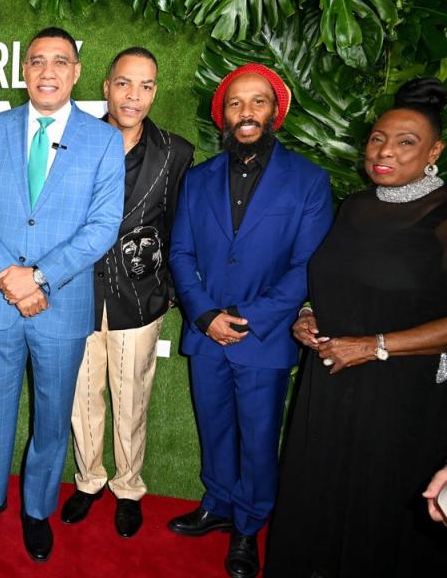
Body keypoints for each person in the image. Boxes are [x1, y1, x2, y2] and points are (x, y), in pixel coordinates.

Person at [265, 77, 447, 577]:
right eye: (377, 139)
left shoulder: (442, 214)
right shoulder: (355, 206)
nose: (385, 152)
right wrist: (307, 317)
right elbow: (336, 286)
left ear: (435, 150)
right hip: (332, 381)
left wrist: (374, 346)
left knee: (380, 509)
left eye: (406, 142)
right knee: (320, 493)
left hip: (402, 395)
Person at [0, 27, 125, 562]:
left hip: (62, 303)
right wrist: (10, 275)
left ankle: (36, 510)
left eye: (59, 62)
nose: (47, 71)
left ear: (76, 73)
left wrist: (40, 278)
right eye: (36, 61)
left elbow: (103, 226)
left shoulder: (103, 140)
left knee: (53, 415)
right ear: (23, 71)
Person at [168, 62, 333, 578]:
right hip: (207, 333)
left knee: (259, 437)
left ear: (275, 111)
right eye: (235, 104)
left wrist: (244, 316)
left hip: (263, 337)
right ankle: (217, 504)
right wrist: (204, 313)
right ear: (223, 116)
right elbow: (179, 253)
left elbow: (309, 265)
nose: (246, 112)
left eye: (257, 102)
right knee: (214, 426)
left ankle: (248, 524)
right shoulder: (198, 179)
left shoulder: (307, 181)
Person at [60, 47, 193, 537]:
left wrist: (170, 292)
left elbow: (180, 225)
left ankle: (128, 486)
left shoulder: (175, 152)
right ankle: (89, 480)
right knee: (82, 397)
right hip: (75, 293)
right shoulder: (73, 140)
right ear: (106, 86)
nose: (134, 96)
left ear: (155, 91)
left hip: (139, 297)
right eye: (124, 83)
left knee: (132, 398)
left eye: (145, 86)